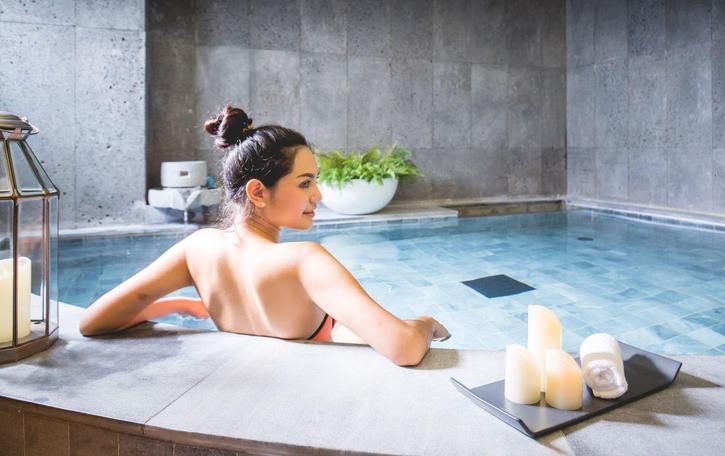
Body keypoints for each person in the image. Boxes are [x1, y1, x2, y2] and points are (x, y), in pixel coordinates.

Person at [79, 105, 450, 366]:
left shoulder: (196, 249)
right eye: (306, 183)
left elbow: (92, 322)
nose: (317, 196)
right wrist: (425, 323)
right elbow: (403, 348)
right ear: (258, 192)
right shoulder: (305, 261)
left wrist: (178, 305)